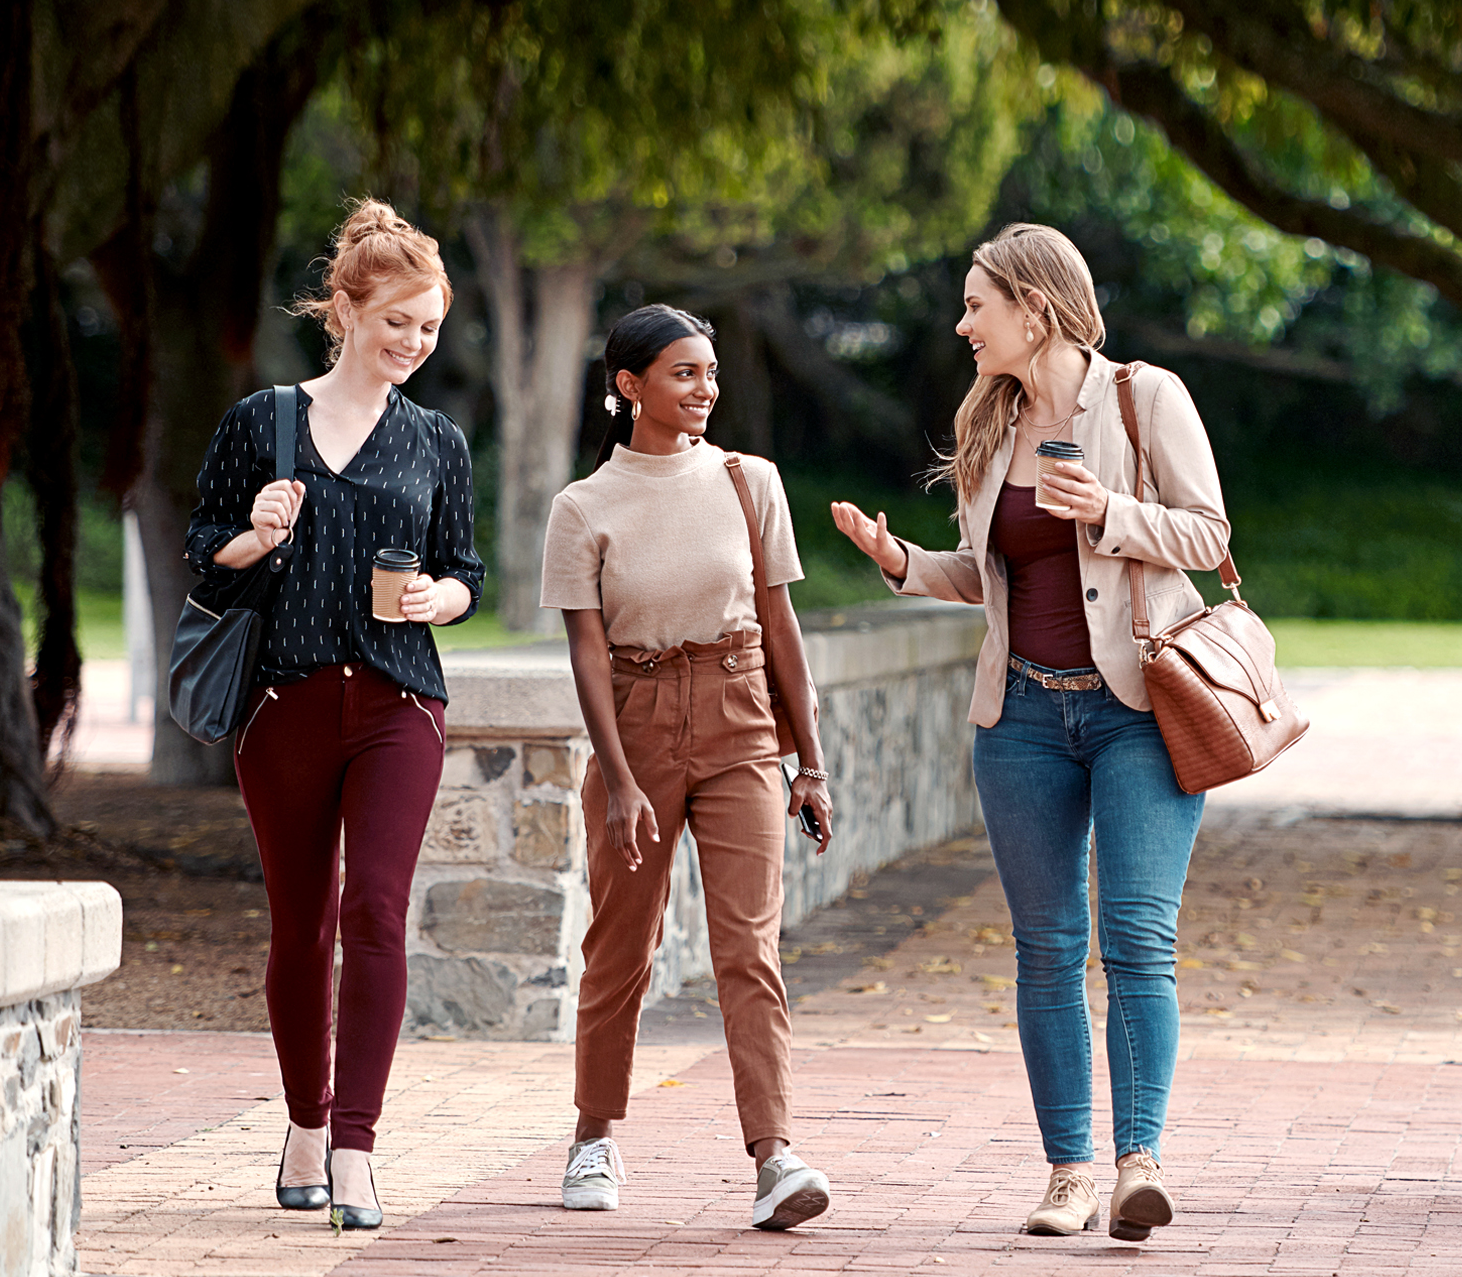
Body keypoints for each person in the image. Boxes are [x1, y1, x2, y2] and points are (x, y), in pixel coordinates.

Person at [832, 224, 1229, 1243]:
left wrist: (1109, 511)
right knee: (1046, 951)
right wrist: (900, 562)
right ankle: (1068, 1175)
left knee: (1136, 940)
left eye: (977, 305)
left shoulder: (1147, 398)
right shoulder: (989, 425)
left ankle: (1138, 1161)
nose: (963, 324)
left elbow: (1211, 535)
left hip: (1139, 706)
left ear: (1035, 311)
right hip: (1021, 719)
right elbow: (986, 577)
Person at [184, 200, 484, 1229]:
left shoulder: (437, 440)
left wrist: (436, 600)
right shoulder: (260, 422)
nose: (413, 342)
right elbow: (204, 560)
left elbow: (464, 574)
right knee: (302, 925)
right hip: (284, 705)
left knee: (380, 913)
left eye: (430, 327)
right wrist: (255, 536)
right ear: (345, 311)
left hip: (401, 700)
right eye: (397, 319)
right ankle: (304, 1122)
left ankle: (354, 1147)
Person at [539, 304, 835, 1231]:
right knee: (622, 946)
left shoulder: (751, 483)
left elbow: (782, 627)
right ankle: (593, 1136)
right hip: (637, 722)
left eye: (711, 374)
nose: (706, 390)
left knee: (749, 947)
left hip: (742, 719)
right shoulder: (582, 506)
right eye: (684, 374)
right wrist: (619, 777)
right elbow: (588, 654)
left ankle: (774, 1156)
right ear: (630, 387)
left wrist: (810, 766)